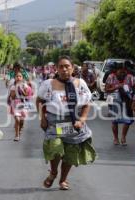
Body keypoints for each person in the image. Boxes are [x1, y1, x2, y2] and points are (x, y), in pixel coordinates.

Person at [36, 56, 96, 190]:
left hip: (73, 124)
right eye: (61, 66)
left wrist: (82, 120)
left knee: (70, 153)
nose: (64, 69)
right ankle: (53, 172)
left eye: (67, 66)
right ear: (56, 69)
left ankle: (63, 180)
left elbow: (87, 103)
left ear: (73, 67)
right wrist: (42, 118)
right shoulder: (48, 84)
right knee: (55, 149)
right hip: (54, 123)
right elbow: (39, 100)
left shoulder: (80, 84)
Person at [105, 63, 134, 145]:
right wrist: (117, 87)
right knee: (115, 120)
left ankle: (123, 137)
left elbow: (134, 88)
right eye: (120, 72)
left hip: (127, 101)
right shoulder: (111, 77)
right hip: (114, 101)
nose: (122, 74)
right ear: (116, 71)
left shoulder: (130, 77)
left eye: (124, 72)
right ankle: (115, 138)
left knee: (128, 120)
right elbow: (106, 89)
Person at [9, 71, 31, 141]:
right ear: (15, 78)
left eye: (20, 76)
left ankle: (20, 129)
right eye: (17, 76)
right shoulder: (13, 86)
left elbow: (26, 95)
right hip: (15, 104)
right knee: (17, 120)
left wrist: (22, 89)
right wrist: (16, 88)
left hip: (23, 104)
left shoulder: (25, 86)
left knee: (21, 121)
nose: (18, 78)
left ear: (22, 78)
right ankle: (17, 135)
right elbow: (12, 97)